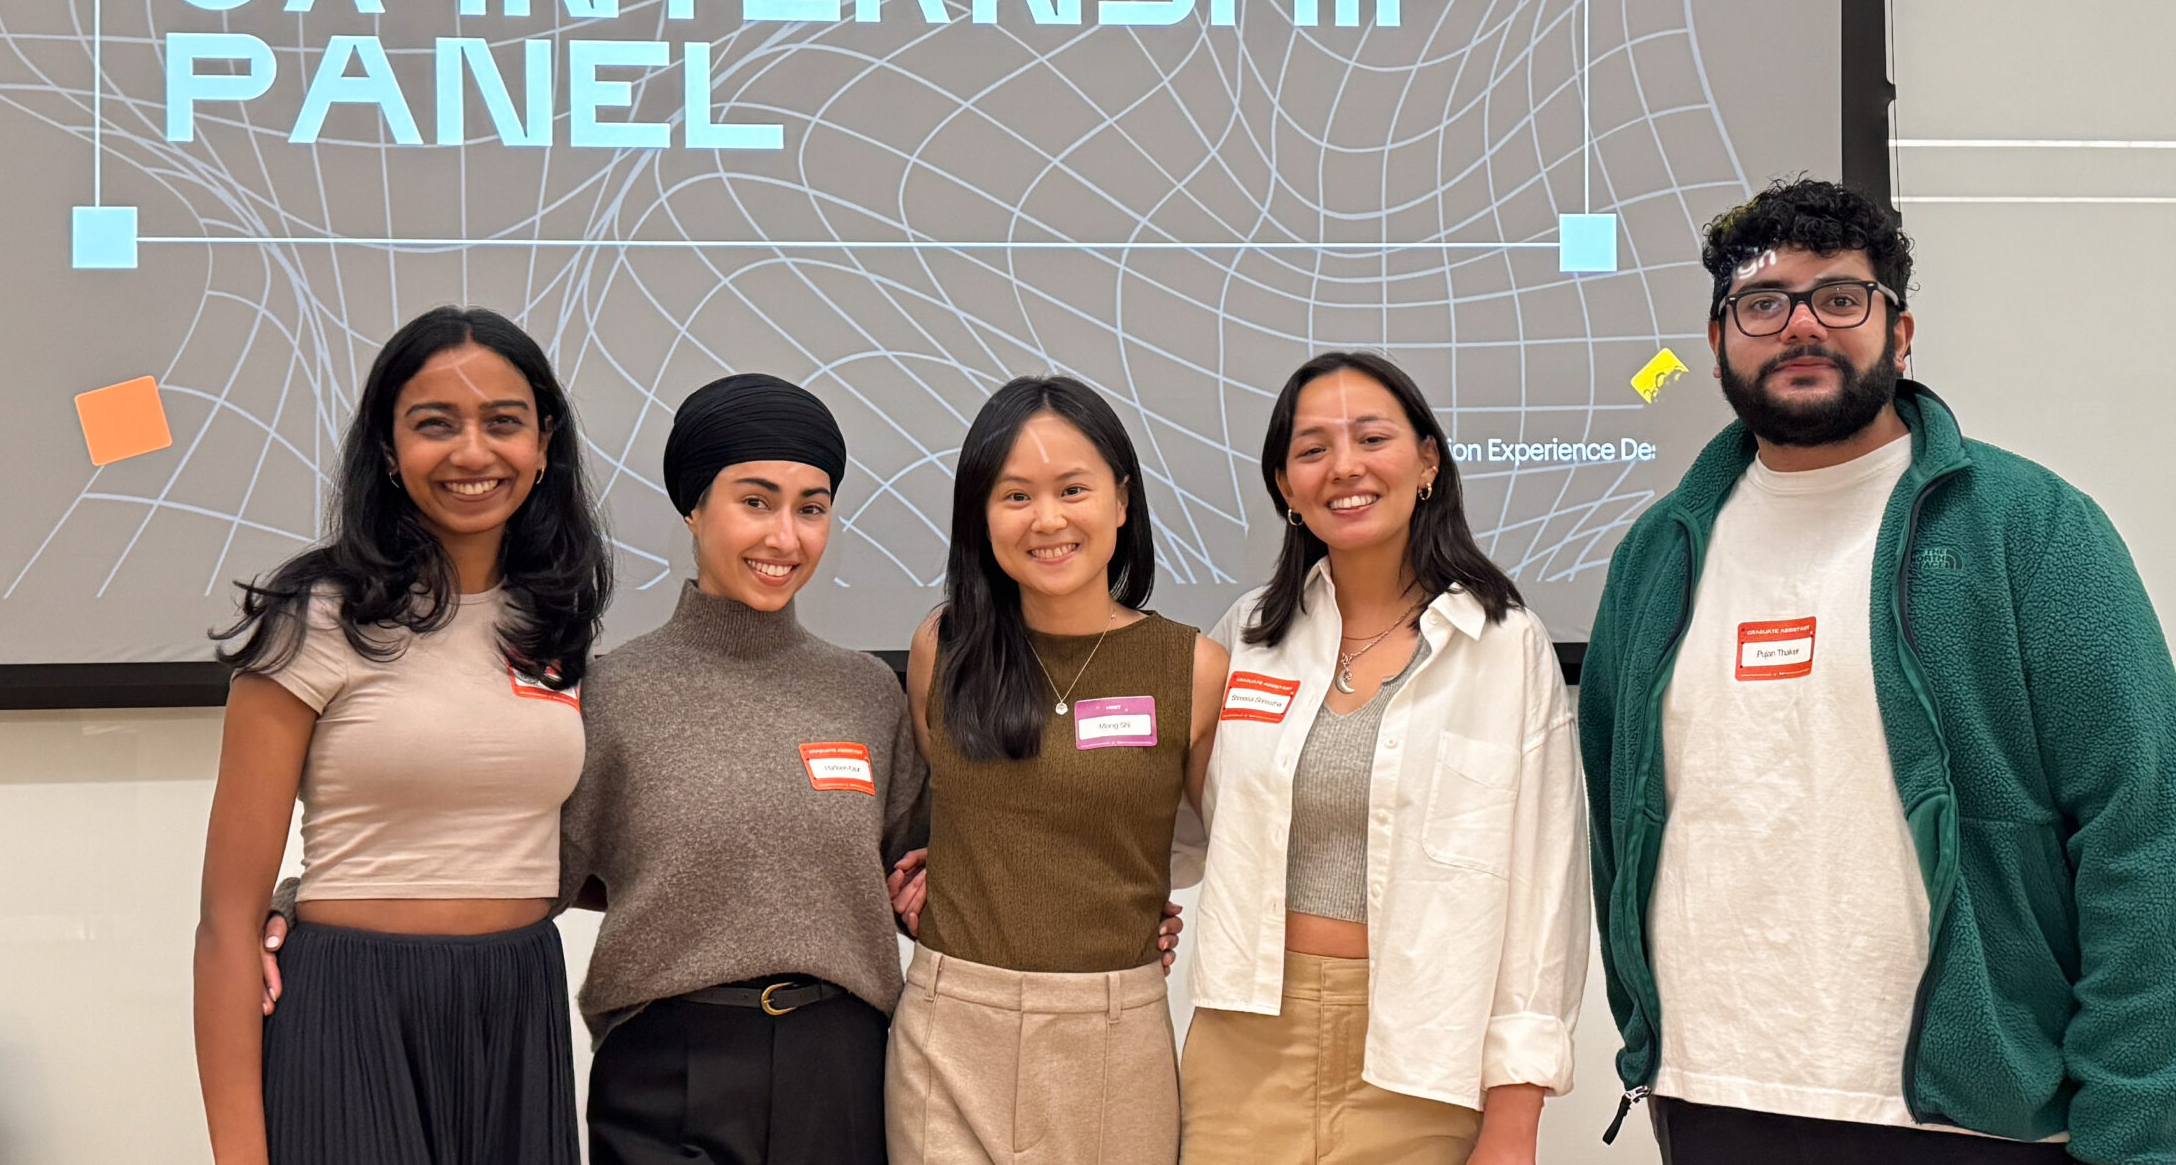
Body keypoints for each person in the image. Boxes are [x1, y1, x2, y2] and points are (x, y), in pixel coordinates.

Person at [1578, 178, 2176, 1163]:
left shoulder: (2028, 529)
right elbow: (1620, 827)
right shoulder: (1656, 555)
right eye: (1762, 303)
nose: (1800, 326)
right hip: (1712, 1093)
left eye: (1839, 298)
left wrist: (2134, 1128)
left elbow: (2140, 829)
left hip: (1966, 1113)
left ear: (1900, 331)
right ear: (1714, 346)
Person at [194, 305, 612, 1165]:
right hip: (351, 1009)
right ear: (388, 451)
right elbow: (226, 925)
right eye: (434, 425)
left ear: (543, 448)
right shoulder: (309, 616)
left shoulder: (557, 621)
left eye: (504, 423)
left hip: (517, 1002)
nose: (472, 453)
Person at [1179, 352, 1590, 1165]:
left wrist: (1515, 1121)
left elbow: (1546, 890)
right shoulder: (1249, 636)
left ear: (1427, 461)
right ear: (1285, 487)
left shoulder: (1506, 647)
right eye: (1312, 449)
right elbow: (1173, 821)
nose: (1346, 467)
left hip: (1421, 1050)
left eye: (1372, 437)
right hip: (1242, 1045)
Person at [559, 372, 930, 1165]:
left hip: (844, 1064)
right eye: (755, 502)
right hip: (667, 1067)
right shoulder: (611, 694)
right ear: (693, 508)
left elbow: (919, 882)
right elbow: (521, 872)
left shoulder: (868, 692)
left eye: (812, 507)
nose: (785, 538)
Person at [886, 376, 1227, 1165]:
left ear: (1121, 501)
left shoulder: (1195, 668)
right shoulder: (943, 649)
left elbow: (1217, 844)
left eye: (1073, 489)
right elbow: (975, 813)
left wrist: (1134, 902)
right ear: (981, 513)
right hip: (949, 1025)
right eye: (1015, 495)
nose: (1047, 520)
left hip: (1117, 1031)